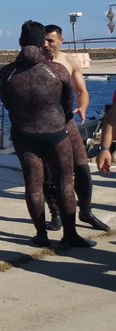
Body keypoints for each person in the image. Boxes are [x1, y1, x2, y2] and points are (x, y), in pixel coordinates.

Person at [0, 21, 94, 248]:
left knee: (33, 185)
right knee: (64, 183)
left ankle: (41, 235)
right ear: (43, 43)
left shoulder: (7, 73)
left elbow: (7, 102)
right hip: (54, 133)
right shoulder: (57, 70)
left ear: (20, 42)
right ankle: (70, 234)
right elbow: (67, 102)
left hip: (24, 134)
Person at [42, 24, 109, 231]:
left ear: (60, 41)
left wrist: (83, 106)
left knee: (82, 168)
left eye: (50, 41)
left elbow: (82, 90)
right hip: (43, 125)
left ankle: (86, 211)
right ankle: (56, 213)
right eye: (43, 40)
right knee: (48, 173)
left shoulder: (69, 61)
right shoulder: (36, 62)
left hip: (67, 119)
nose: (46, 45)